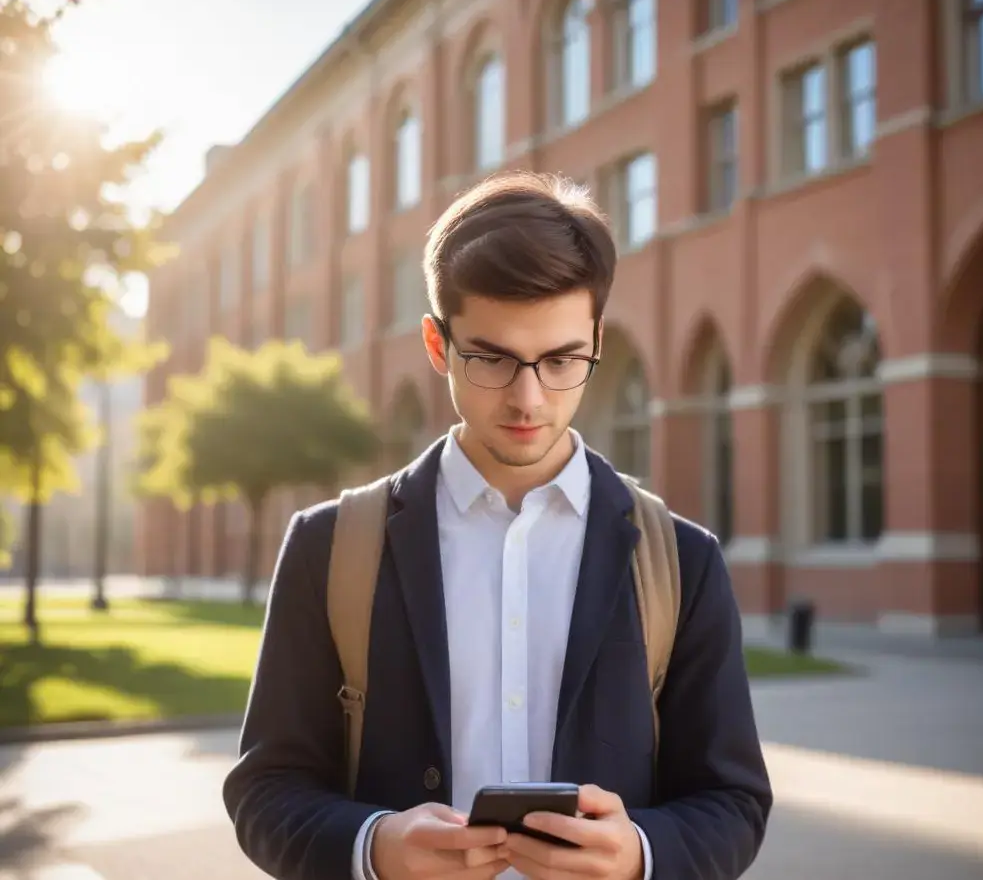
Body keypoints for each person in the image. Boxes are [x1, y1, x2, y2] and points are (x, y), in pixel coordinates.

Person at [222, 171, 772, 880]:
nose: (527, 398)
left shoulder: (682, 560)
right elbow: (265, 790)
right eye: (490, 358)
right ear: (435, 343)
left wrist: (640, 854)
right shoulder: (329, 547)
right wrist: (372, 847)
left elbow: (733, 801)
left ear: (597, 340)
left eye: (561, 359)